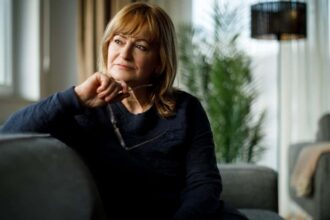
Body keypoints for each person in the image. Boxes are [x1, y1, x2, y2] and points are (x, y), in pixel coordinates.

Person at [1, 2, 248, 220]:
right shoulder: (82, 111)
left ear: (160, 61)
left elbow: (204, 186)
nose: (124, 54)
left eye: (140, 46)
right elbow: (11, 132)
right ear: (108, 46)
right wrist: (74, 97)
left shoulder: (186, 109)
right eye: (118, 41)